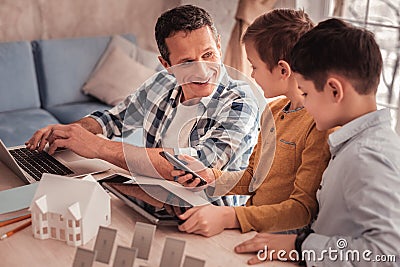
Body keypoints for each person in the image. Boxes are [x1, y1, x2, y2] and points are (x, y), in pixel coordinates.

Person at [25, 5, 259, 206]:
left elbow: (198, 167)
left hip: (210, 217)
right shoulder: (161, 86)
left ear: (218, 45)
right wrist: (69, 132)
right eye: (186, 62)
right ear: (166, 65)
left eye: (208, 54)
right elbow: (112, 120)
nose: (202, 70)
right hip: (154, 200)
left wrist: (98, 147)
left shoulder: (240, 102)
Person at [234, 18, 400, 266]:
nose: (305, 104)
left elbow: (389, 253)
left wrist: (300, 246)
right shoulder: (354, 146)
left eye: (306, 93)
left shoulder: (366, 157)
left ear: (335, 91)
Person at [171, 9, 333, 237]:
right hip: (251, 229)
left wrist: (232, 218)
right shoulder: (274, 110)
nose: (252, 75)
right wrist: (209, 176)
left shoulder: (317, 124)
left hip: (279, 243)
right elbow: (251, 177)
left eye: (254, 67)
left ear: (283, 70)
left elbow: (301, 210)